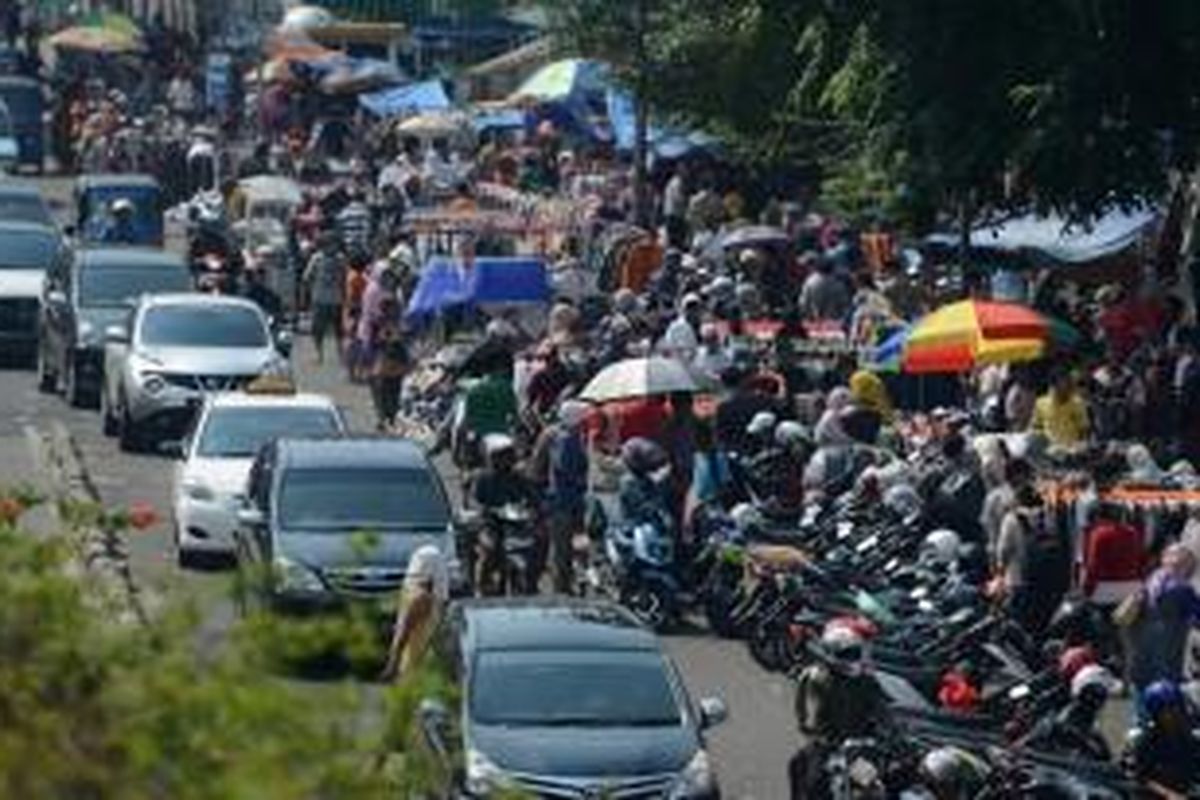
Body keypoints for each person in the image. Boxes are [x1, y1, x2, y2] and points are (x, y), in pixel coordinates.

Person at [789, 624, 894, 800]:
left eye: (855, 652)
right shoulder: (816, 678)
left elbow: (882, 708)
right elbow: (809, 715)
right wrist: (821, 736)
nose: (852, 658)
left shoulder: (866, 680)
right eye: (846, 654)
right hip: (830, 745)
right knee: (806, 775)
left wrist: (887, 733)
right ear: (830, 655)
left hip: (864, 745)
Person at [996, 470, 1069, 637]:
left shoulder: (1012, 519)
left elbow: (1004, 551)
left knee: (1026, 624)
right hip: (1049, 579)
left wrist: (999, 572)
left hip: (1020, 580)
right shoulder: (1048, 515)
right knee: (1047, 619)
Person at [1126, 545, 1200, 703]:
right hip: (1170, 642)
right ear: (1186, 566)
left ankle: (1140, 721)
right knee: (1168, 684)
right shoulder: (1183, 589)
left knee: (1143, 680)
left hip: (1142, 640)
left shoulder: (1153, 578)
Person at [472, 434, 540, 594]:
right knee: (489, 549)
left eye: (508, 455)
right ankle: (480, 585)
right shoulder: (483, 478)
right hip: (490, 524)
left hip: (515, 525)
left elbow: (532, 496)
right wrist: (488, 509)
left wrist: (536, 510)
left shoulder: (517, 477)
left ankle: (532, 583)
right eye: (501, 456)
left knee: (537, 544)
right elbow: (475, 501)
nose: (505, 460)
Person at [1019, 664, 1118, 761]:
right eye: (1100, 692)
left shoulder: (1090, 723)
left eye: (1105, 693)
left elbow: (1105, 758)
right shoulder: (1067, 722)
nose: (1104, 699)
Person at [381, 545, 449, 682]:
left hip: (413, 671)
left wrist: (392, 664)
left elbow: (403, 631)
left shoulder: (419, 596)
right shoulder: (435, 599)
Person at [1124, 681, 1200, 799]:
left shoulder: (1189, 738)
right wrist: (1168, 794)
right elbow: (1139, 777)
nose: (1172, 714)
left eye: (1175, 707)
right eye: (1165, 710)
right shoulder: (1147, 741)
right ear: (1155, 714)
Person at [544, 401, 590, 594]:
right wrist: (584, 478)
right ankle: (562, 591)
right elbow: (566, 468)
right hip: (566, 503)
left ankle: (567, 587)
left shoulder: (563, 435)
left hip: (566, 502)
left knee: (569, 549)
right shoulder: (567, 439)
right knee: (564, 551)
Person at [367, 295, 408, 432]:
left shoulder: (400, 325)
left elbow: (403, 345)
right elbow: (373, 343)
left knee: (393, 394)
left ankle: (390, 418)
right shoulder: (377, 324)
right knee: (382, 395)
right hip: (382, 366)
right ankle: (383, 418)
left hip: (394, 367)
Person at [303, 232, 344, 365]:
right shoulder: (317, 258)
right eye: (330, 244)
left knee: (339, 329)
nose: (333, 247)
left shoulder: (341, 259)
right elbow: (307, 277)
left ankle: (341, 354)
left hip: (336, 299)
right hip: (320, 298)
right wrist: (309, 294)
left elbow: (345, 277)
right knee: (318, 328)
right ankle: (318, 353)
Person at [1030, 371, 1090, 448]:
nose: (1069, 388)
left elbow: (1083, 430)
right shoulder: (1040, 403)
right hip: (1048, 449)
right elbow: (1036, 428)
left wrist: (1079, 445)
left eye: (1069, 384)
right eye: (1064, 384)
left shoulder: (1077, 403)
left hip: (1071, 449)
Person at [798, 257, 851, 322]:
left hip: (814, 320)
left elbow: (803, 303)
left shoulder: (810, 282)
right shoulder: (838, 284)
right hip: (833, 322)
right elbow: (844, 305)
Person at [659, 293, 703, 361]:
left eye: (696, 308)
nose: (693, 311)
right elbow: (668, 348)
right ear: (684, 309)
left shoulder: (706, 327)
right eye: (690, 308)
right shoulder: (675, 328)